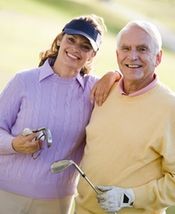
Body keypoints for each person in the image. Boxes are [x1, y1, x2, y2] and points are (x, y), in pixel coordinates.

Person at [0, 14, 120, 214]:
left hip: (55, 203)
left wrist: (114, 75)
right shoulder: (23, 81)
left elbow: (132, 81)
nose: (75, 49)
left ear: (92, 55)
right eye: (71, 40)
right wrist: (14, 144)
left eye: (85, 46)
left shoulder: (94, 90)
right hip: (6, 193)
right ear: (59, 40)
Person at [75, 20, 175, 214]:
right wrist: (111, 74)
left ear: (158, 57)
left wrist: (129, 196)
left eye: (142, 49)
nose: (133, 56)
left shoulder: (170, 108)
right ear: (117, 55)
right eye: (126, 48)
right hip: (82, 209)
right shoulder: (104, 90)